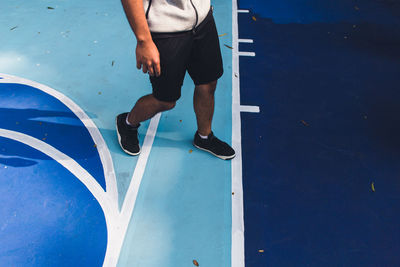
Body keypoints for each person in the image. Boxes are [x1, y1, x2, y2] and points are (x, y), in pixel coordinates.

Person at [116, 0, 235, 160]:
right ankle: (127, 123)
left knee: (208, 83)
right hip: (166, 29)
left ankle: (204, 137)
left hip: (202, 21)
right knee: (165, 100)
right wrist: (144, 41)